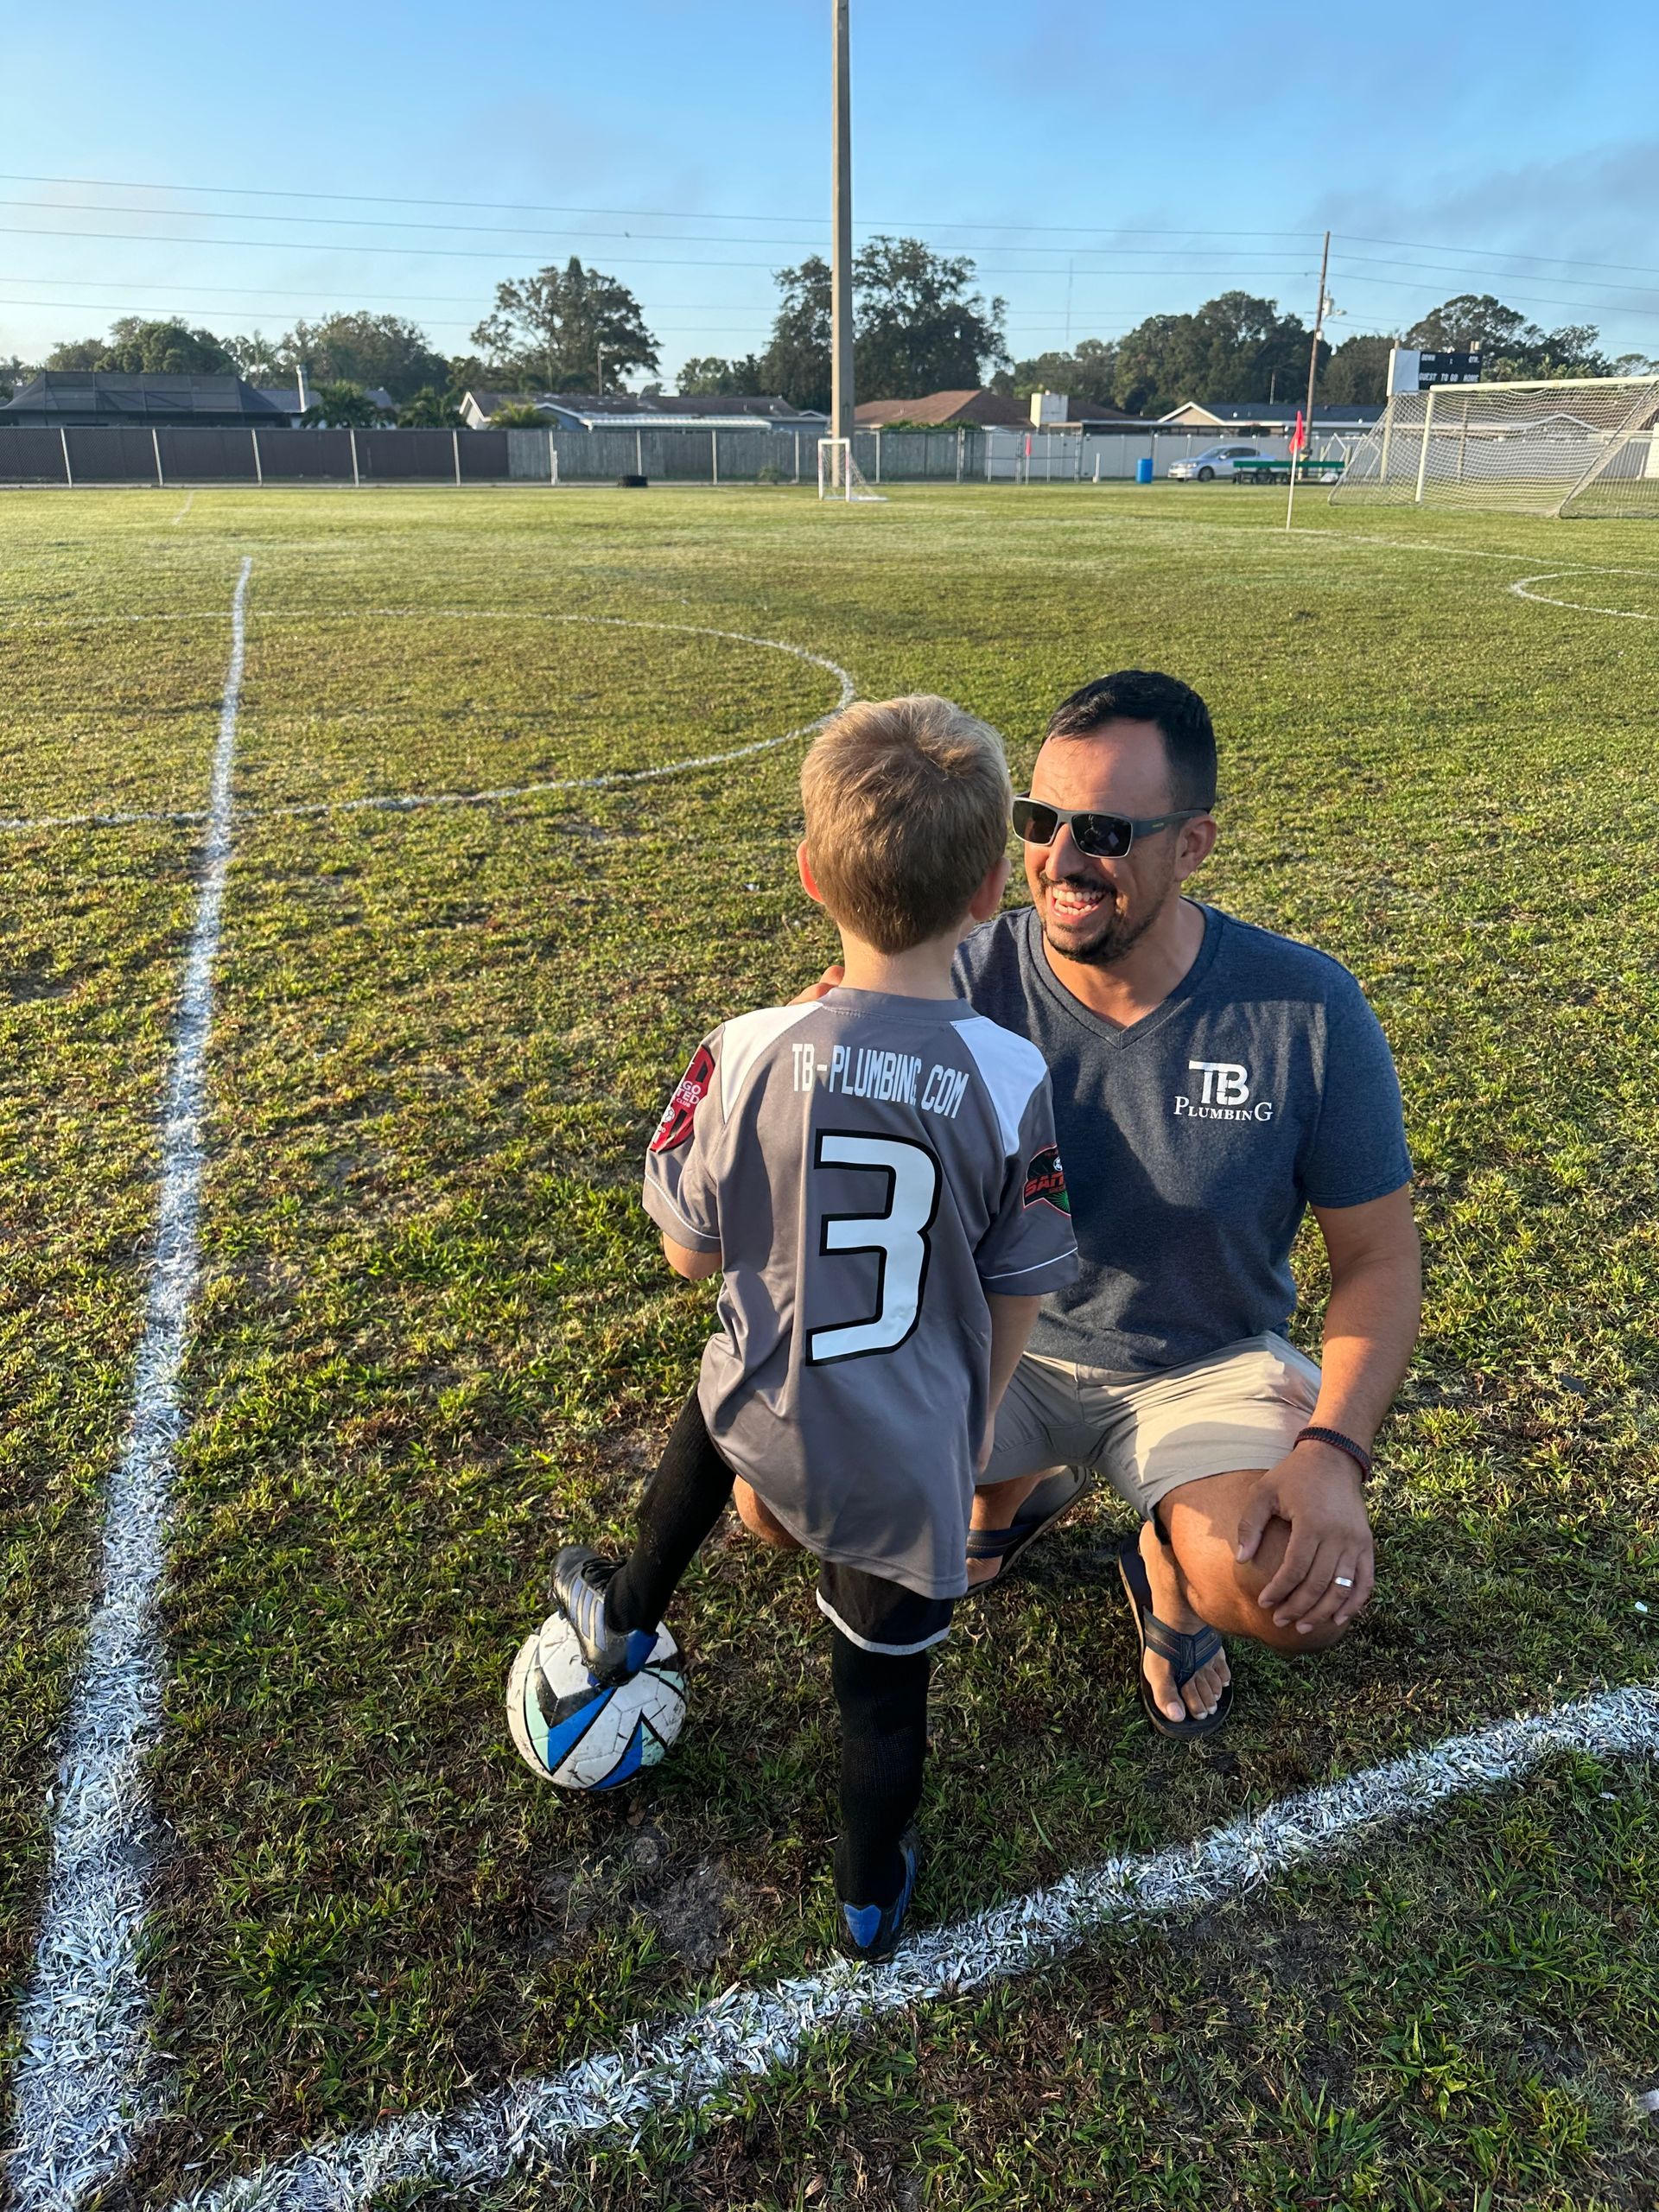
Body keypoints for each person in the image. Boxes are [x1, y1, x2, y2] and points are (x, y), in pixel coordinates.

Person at [545, 696, 1079, 1957]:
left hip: (770, 1418)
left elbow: (689, 1255)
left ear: (806, 875)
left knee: (718, 1382)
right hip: (908, 1467)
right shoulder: (1011, 1077)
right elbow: (1023, 1282)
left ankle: (624, 1612)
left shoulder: (740, 1049)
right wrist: (963, 1428)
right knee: (881, 1701)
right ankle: (865, 1894)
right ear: (991, 889)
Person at [951, 669, 1421, 1739]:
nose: (1061, 862)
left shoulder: (1305, 1008)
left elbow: (1381, 1262)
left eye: (1106, 831)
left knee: (1293, 1598)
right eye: (1040, 820)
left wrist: (1331, 1454)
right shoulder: (956, 980)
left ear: (1193, 844)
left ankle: (1164, 1550)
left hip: (1197, 1368)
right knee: (795, 1506)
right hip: (1003, 1345)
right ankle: (1010, 1490)